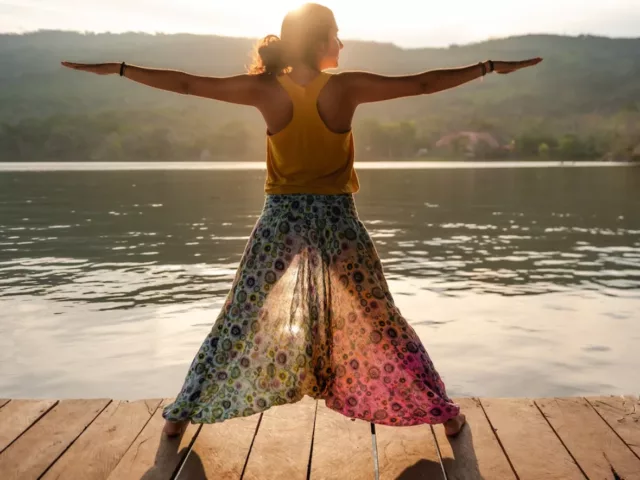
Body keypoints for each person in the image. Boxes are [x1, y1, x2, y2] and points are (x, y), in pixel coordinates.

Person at [62, 2, 541, 439]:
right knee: (381, 318)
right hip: (337, 219)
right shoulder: (345, 87)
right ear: (319, 41)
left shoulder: (267, 89)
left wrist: (120, 69)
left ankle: (180, 416)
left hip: (281, 219)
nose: (342, 43)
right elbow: (421, 83)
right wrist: (489, 68)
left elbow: (188, 84)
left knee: (240, 315)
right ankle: (447, 414)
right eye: (336, 34)